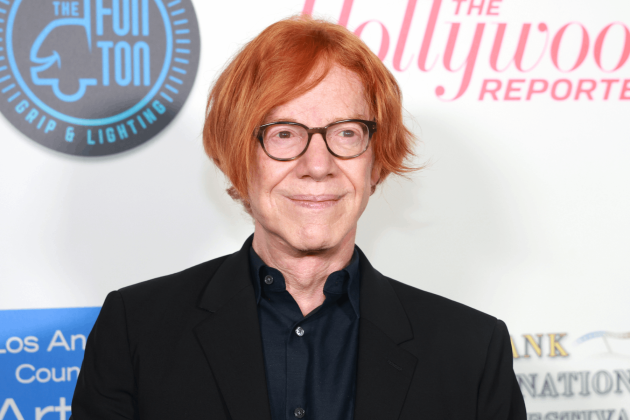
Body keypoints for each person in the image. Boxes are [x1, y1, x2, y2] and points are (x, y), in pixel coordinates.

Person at [71, 15, 526, 420]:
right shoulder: (136, 330)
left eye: (347, 133)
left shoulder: (472, 350)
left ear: (376, 161)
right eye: (284, 134)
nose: (317, 164)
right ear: (239, 158)